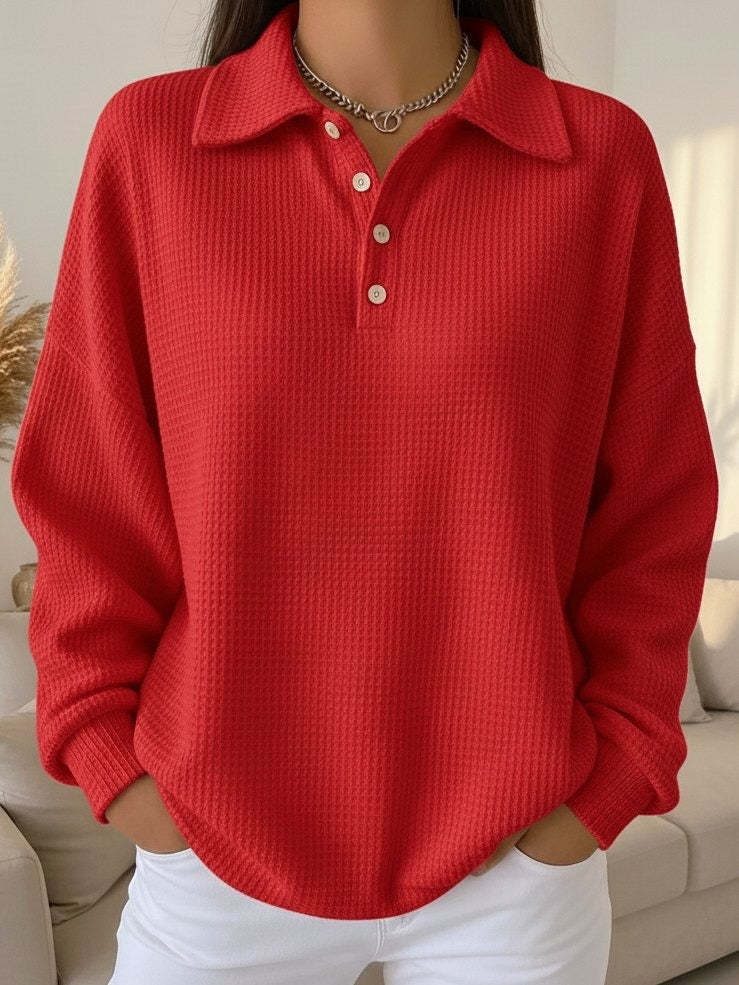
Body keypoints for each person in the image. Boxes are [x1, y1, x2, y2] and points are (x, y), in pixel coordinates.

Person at [10, 0, 719, 982]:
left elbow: (653, 507)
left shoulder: (597, 157)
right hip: (213, 860)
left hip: (517, 872)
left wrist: (608, 781)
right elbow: (89, 494)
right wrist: (110, 758)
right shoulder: (155, 142)